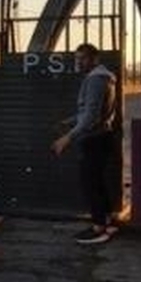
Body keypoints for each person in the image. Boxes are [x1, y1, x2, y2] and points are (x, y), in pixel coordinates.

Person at [51, 43, 119, 245]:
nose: (78, 63)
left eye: (82, 59)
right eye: (77, 58)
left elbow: (90, 117)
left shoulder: (96, 80)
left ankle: (99, 228)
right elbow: (90, 113)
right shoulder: (104, 78)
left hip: (94, 139)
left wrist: (66, 138)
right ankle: (107, 222)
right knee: (96, 182)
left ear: (95, 59)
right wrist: (69, 121)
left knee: (90, 184)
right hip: (101, 137)